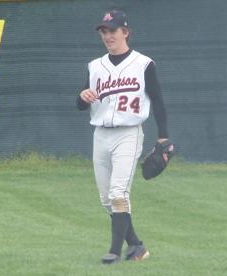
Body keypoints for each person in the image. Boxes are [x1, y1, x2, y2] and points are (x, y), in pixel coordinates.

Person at [76, 9, 170, 264]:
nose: (107, 36)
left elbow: (158, 100)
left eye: (112, 31)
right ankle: (136, 246)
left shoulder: (143, 64)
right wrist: (82, 97)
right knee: (106, 199)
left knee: (119, 193)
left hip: (128, 134)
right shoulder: (95, 66)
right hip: (101, 135)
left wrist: (163, 136)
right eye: (103, 32)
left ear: (125, 32)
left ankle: (114, 252)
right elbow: (81, 103)